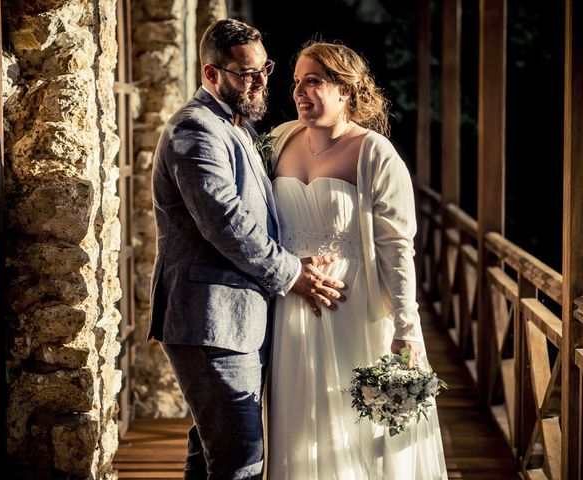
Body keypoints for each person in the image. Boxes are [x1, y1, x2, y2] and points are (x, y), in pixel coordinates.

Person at [149, 21, 346, 480]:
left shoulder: (235, 127)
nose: (259, 82)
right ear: (211, 74)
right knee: (241, 461)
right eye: (245, 73)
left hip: (235, 321)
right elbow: (227, 223)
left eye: (264, 70)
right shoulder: (195, 130)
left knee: (211, 455)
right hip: (210, 321)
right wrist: (293, 273)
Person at [267, 41, 448, 479]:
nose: (300, 92)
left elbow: (396, 248)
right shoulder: (278, 141)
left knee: (361, 429)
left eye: (314, 81)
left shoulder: (375, 154)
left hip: (357, 311)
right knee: (299, 425)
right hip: (291, 309)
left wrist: (406, 328)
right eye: (296, 83)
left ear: (346, 89)